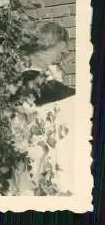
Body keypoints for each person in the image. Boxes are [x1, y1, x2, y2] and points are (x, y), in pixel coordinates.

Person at [10, 21, 75, 195]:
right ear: (49, 43)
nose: (66, 51)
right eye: (63, 44)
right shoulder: (30, 78)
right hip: (36, 155)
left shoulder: (35, 77)